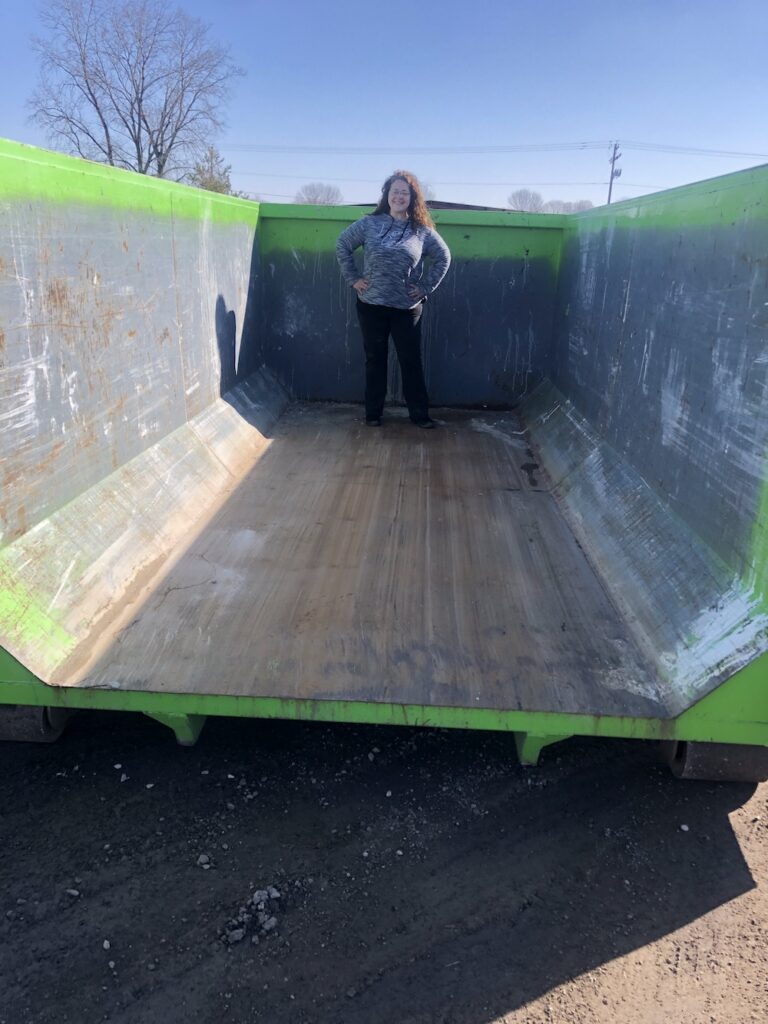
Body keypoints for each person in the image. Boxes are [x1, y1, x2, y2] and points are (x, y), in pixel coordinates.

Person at [335, 170, 451, 428]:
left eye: (404, 192)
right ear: (387, 195)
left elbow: (444, 257)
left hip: (406, 309)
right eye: (394, 191)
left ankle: (419, 415)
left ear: (413, 198)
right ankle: (373, 414)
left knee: (410, 361)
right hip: (371, 306)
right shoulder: (369, 223)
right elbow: (342, 244)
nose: (399, 196)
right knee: (375, 360)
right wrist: (353, 279)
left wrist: (425, 287)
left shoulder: (421, 231)